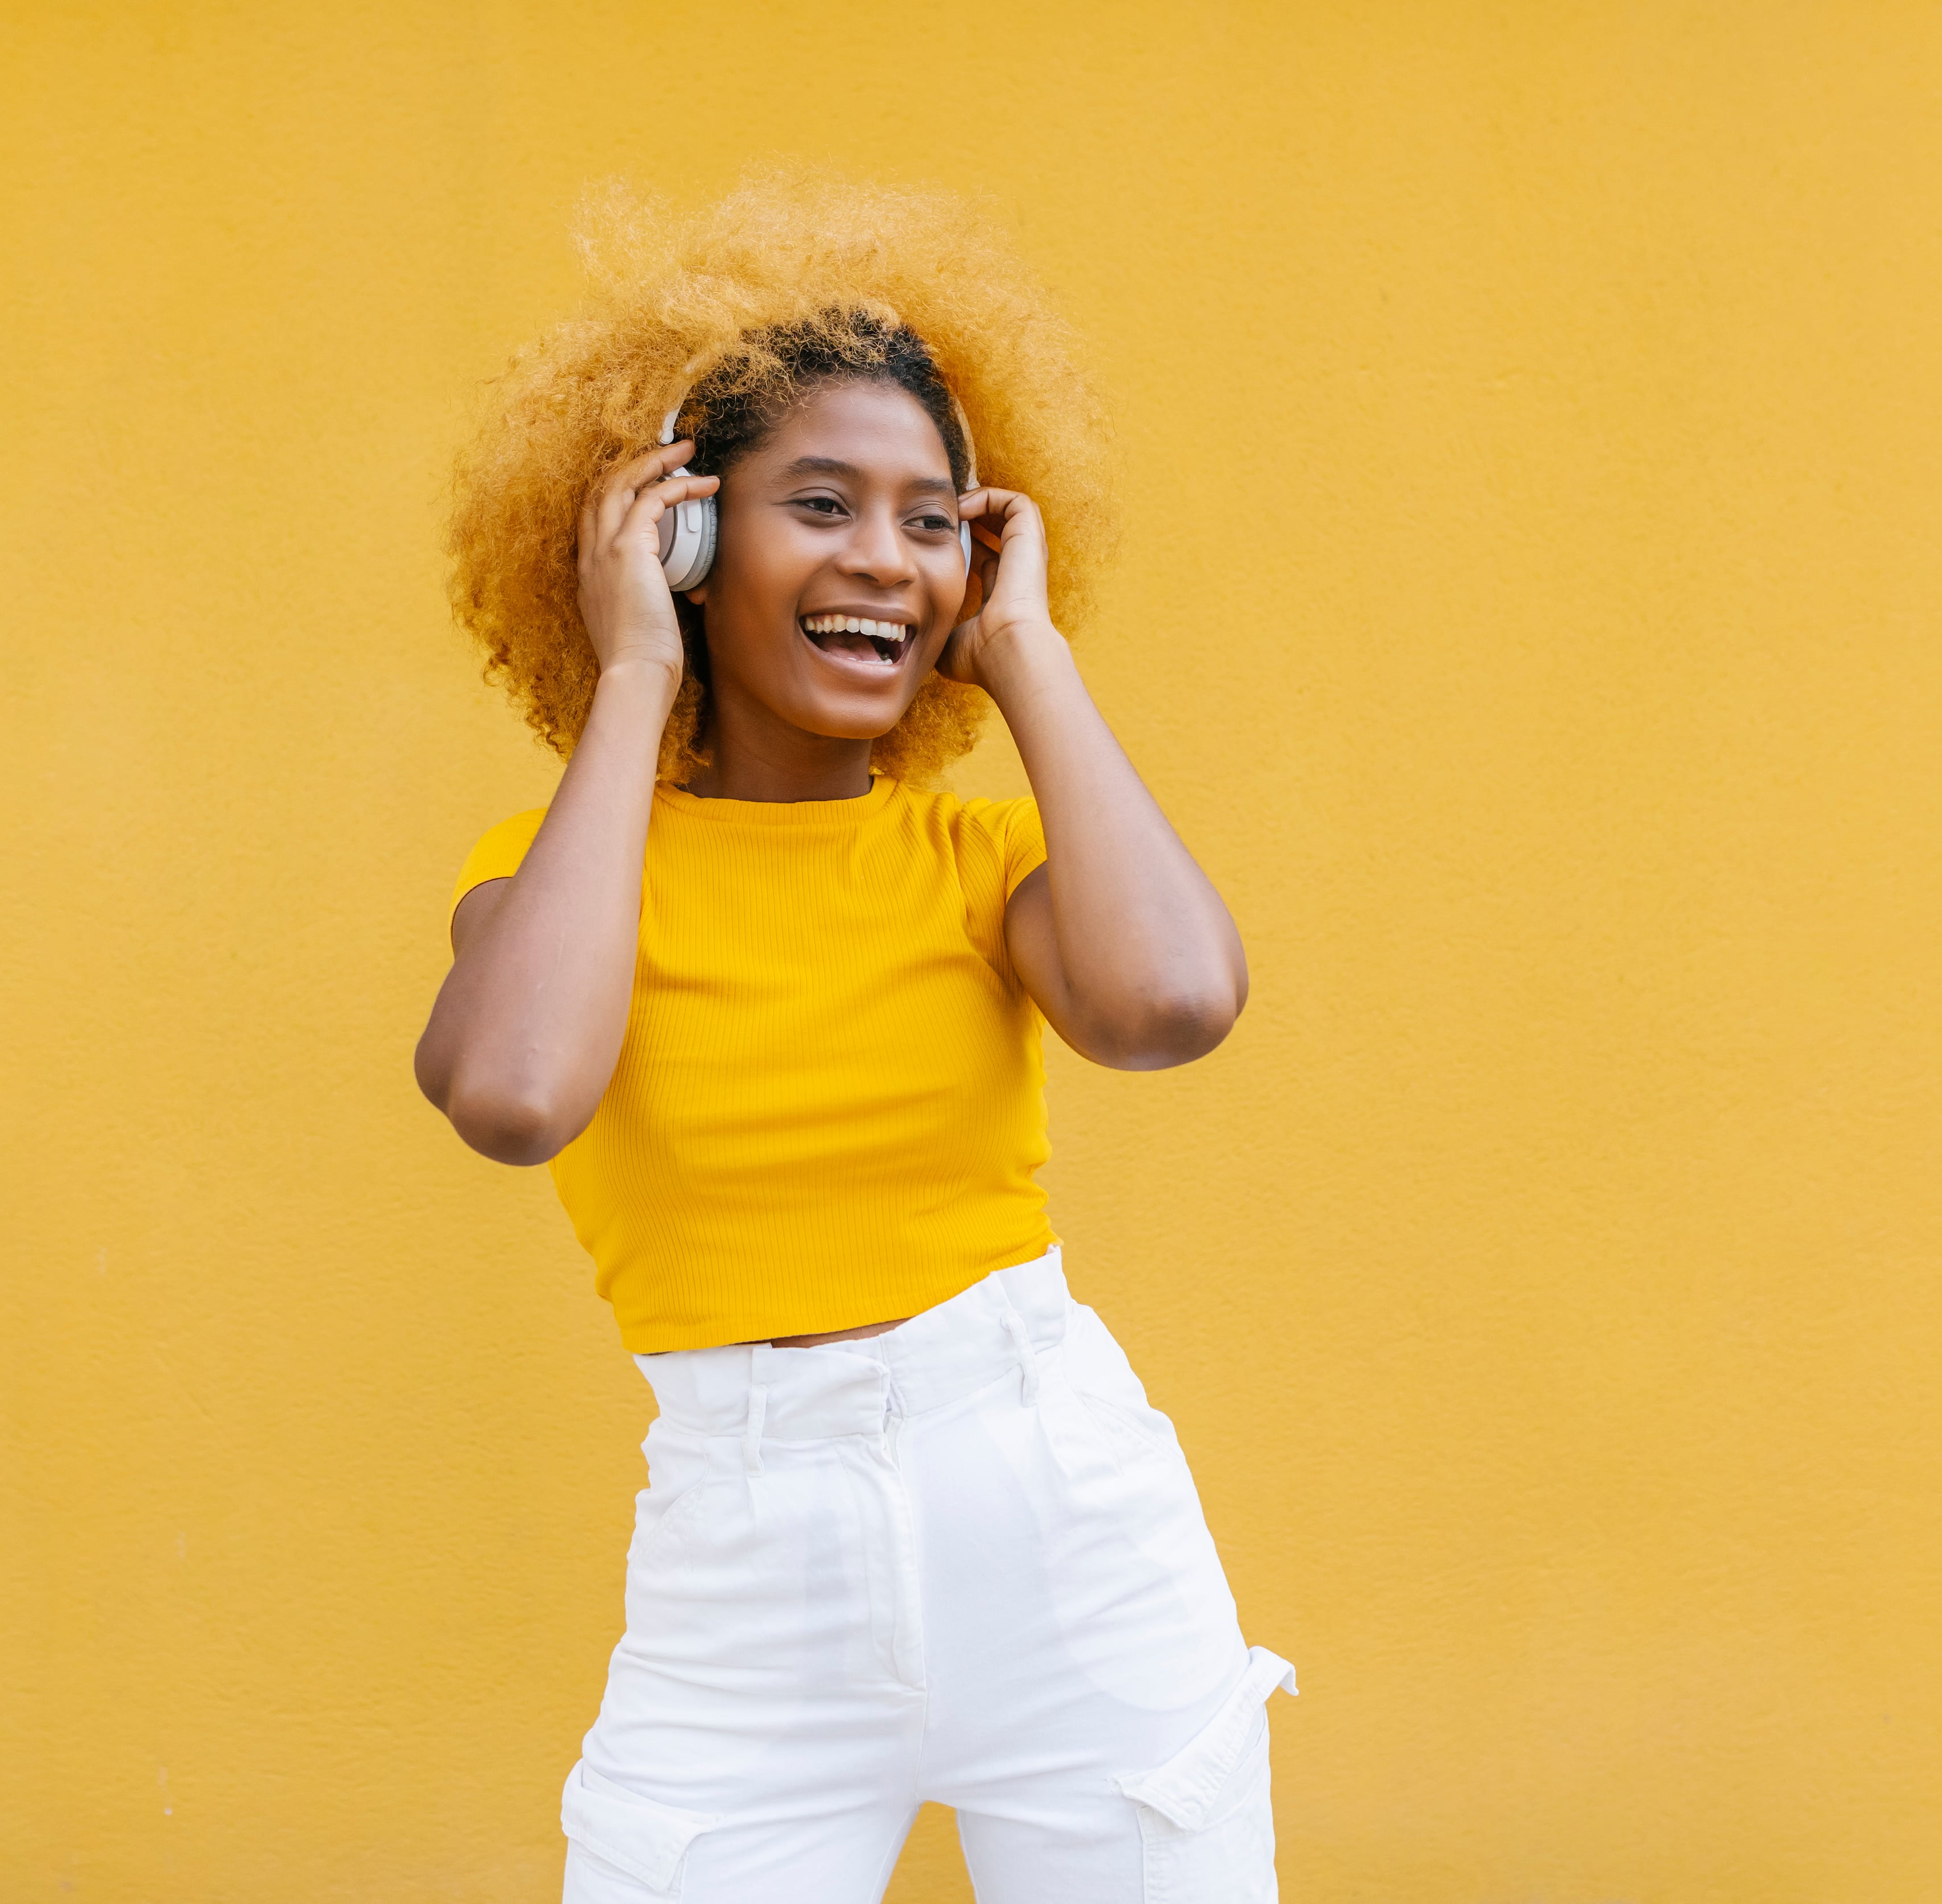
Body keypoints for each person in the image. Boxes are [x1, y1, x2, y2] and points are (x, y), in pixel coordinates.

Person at [419, 175, 1293, 1903]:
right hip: (748, 1580)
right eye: (819, 505)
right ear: (679, 541)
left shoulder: (981, 866)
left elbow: (1173, 1003)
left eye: (933, 521)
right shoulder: (554, 881)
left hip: (1063, 1524)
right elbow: (517, 1094)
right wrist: (630, 680)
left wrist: (1027, 648)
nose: (886, 559)